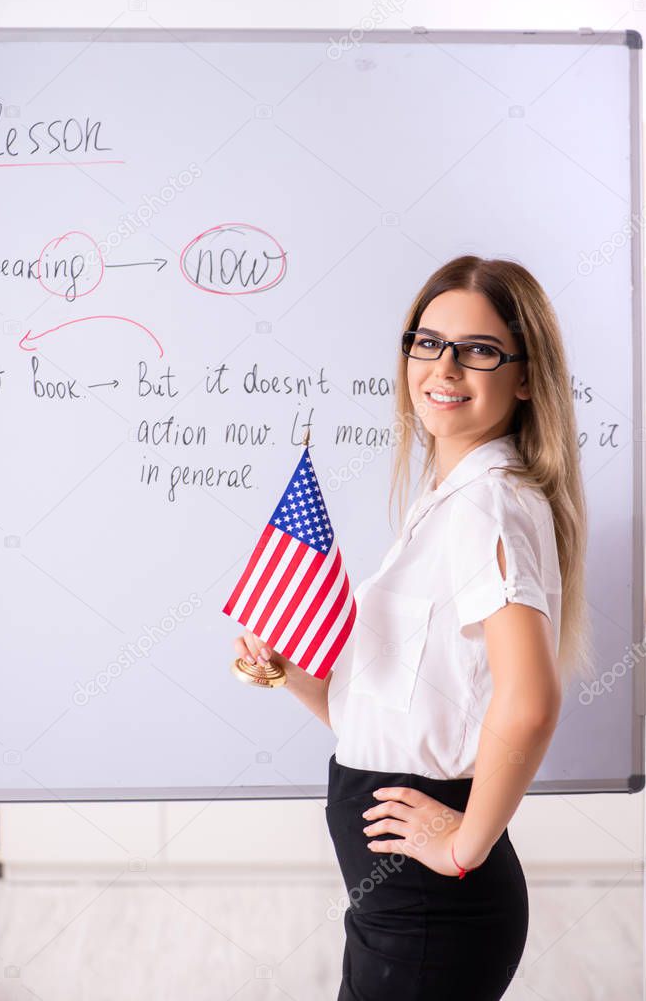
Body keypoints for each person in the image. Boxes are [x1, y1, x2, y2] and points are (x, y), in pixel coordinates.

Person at [233, 255, 594, 1000]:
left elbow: (530, 701)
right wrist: (287, 672)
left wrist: (464, 844)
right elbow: (384, 716)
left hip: (433, 905)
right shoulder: (445, 502)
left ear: (525, 377)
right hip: (396, 900)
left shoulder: (485, 507)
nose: (444, 366)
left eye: (479, 349)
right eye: (426, 343)